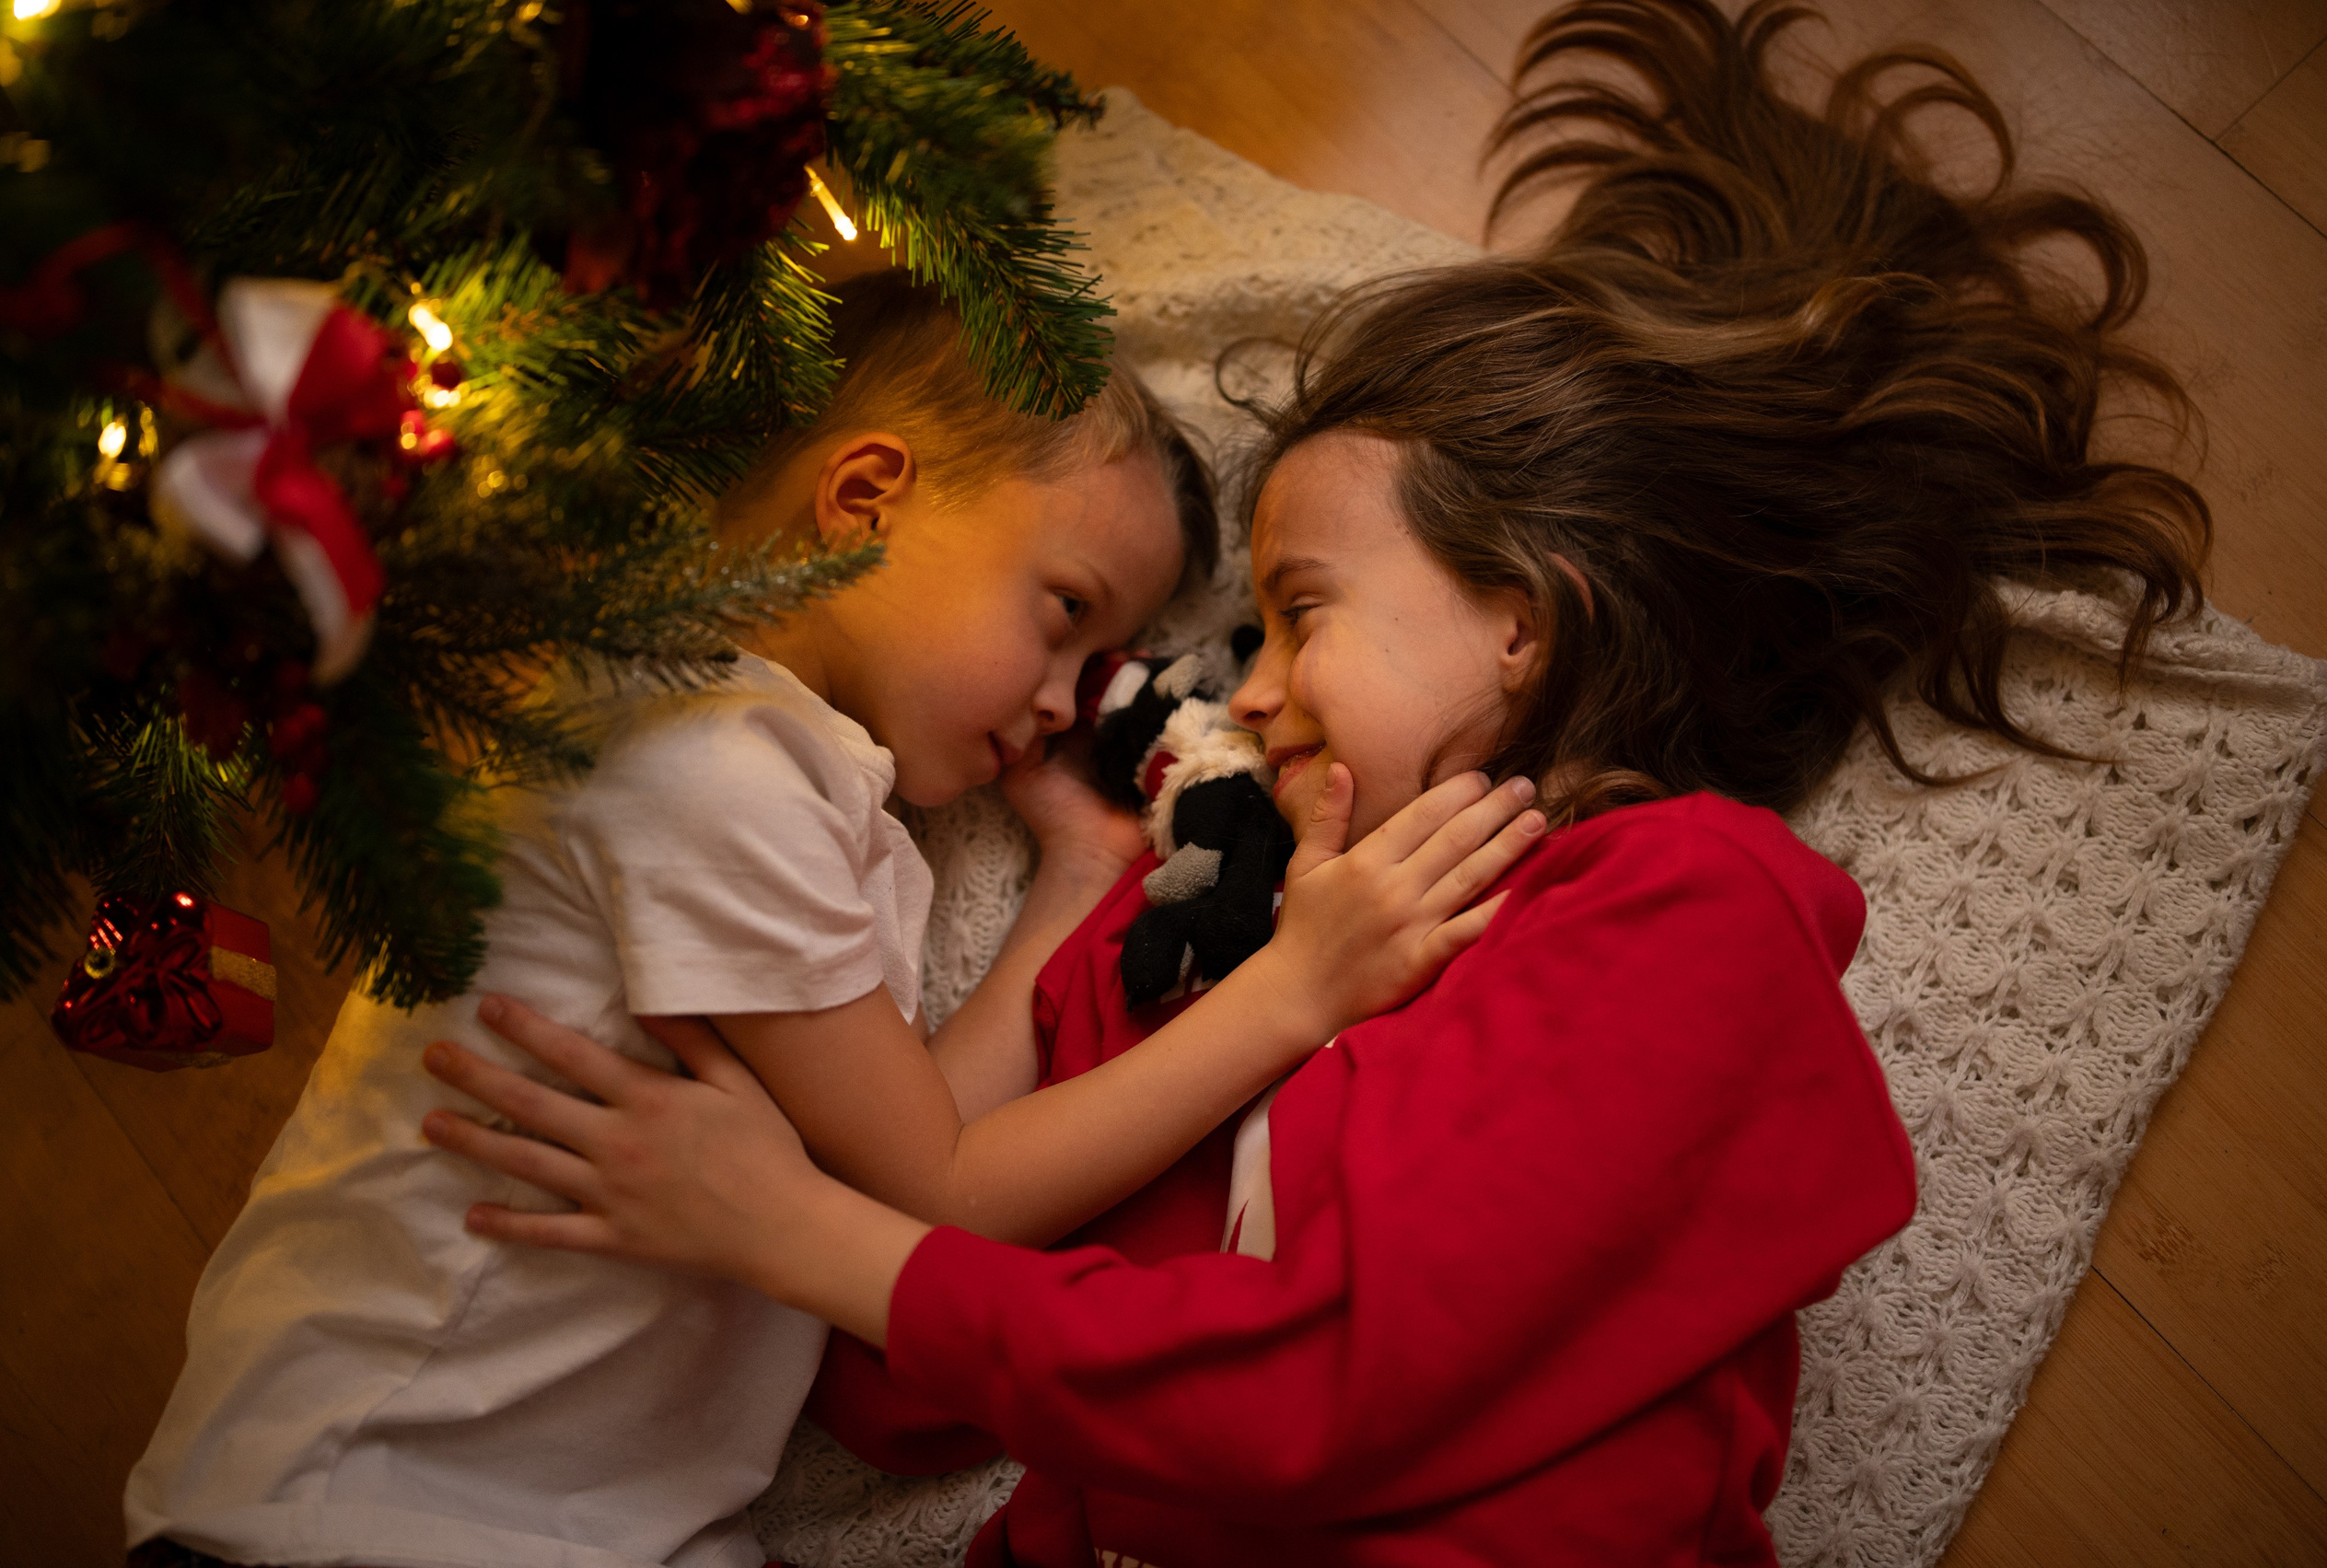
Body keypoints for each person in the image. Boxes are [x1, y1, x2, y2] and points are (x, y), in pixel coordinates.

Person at [418, 1, 2214, 1562]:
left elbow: (1301, 1398)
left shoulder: (1685, 908)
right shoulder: (1225, 931)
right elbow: (904, 1389)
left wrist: (805, 1232)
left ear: (1521, 618)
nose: (1251, 690)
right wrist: (1118, 930)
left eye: (1297, 613)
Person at [124, 271, 1547, 1568]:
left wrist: (1069, 881)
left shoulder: (795, 786)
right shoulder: (685, 755)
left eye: (1093, 656)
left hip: (592, 1520)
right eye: (1059, 612)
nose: (1062, 699)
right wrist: (1298, 987)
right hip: (364, 1506)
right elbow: (945, 1195)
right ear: (865, 498)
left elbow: (903, 1149)